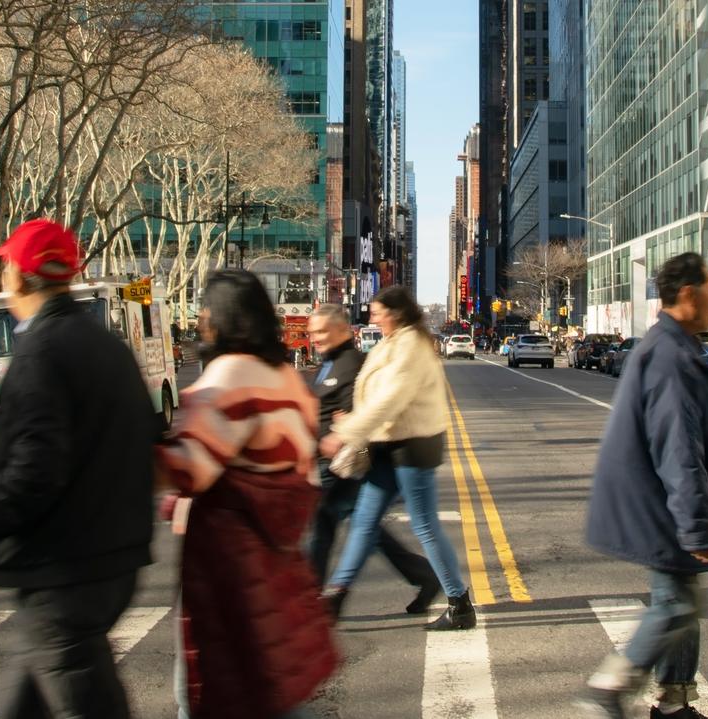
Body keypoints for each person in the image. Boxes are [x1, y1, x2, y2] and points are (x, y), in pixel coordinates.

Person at [0, 218, 157, 719]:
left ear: (19, 275)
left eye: (5, 267)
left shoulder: (42, 349)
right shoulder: (109, 347)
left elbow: (36, 466)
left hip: (66, 572)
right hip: (109, 561)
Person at [157, 270, 336, 719]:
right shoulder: (289, 380)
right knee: (270, 684)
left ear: (223, 317)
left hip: (228, 561)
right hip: (280, 550)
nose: (199, 316)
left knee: (207, 689)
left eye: (205, 306)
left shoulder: (230, 375)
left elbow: (188, 470)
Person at [577, 252, 708, 719]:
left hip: (657, 502)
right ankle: (609, 687)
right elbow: (678, 451)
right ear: (688, 294)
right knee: (677, 603)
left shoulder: (672, 346)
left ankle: (673, 701)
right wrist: (695, 527)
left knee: (682, 596)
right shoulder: (671, 357)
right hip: (657, 505)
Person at [319, 286, 475, 631]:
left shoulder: (411, 346)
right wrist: (354, 422)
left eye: (377, 312)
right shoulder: (391, 343)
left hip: (412, 446)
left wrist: (346, 432)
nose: (372, 317)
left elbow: (391, 398)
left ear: (395, 313)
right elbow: (374, 394)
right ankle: (337, 595)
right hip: (387, 445)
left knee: (424, 524)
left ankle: (459, 602)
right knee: (364, 521)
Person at [305, 304, 439, 610]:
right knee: (365, 528)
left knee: (331, 525)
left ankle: (317, 599)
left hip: (346, 463)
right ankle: (425, 577)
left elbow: (368, 406)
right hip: (328, 463)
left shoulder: (353, 363)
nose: (315, 338)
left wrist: (343, 428)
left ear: (342, 330)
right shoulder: (326, 363)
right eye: (313, 332)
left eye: (322, 331)